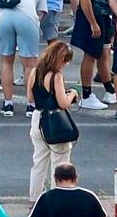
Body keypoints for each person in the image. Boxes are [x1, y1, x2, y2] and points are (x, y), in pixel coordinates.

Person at [0, 0, 48, 118]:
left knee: (6, 61)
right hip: (27, 19)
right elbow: (41, 13)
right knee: (30, 64)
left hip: (5, 19)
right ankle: (31, 105)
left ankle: (8, 103)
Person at [27, 41, 79, 198]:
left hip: (38, 119)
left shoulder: (35, 72)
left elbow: (30, 97)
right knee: (60, 163)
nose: (66, 64)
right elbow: (63, 103)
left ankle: (35, 200)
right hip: (55, 124)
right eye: (65, 61)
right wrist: (73, 94)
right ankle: (59, 198)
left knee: (39, 163)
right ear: (60, 59)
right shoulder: (56, 77)